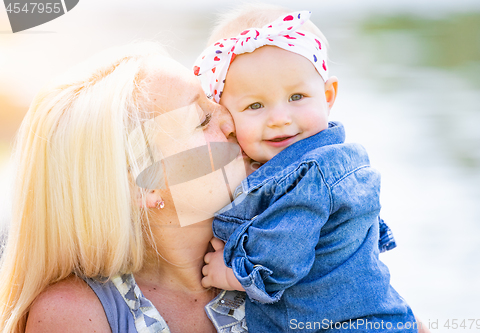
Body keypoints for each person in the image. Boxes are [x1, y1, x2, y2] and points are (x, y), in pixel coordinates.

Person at [195, 6, 420, 332]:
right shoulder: (317, 163)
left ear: (328, 96)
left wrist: (231, 275)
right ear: (226, 118)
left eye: (297, 96)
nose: (280, 118)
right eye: (255, 105)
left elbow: (282, 257)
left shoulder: (311, 175)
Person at [0, 42, 250, 333]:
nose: (232, 119)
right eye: (202, 120)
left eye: (212, 97)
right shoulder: (76, 316)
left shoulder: (287, 263)